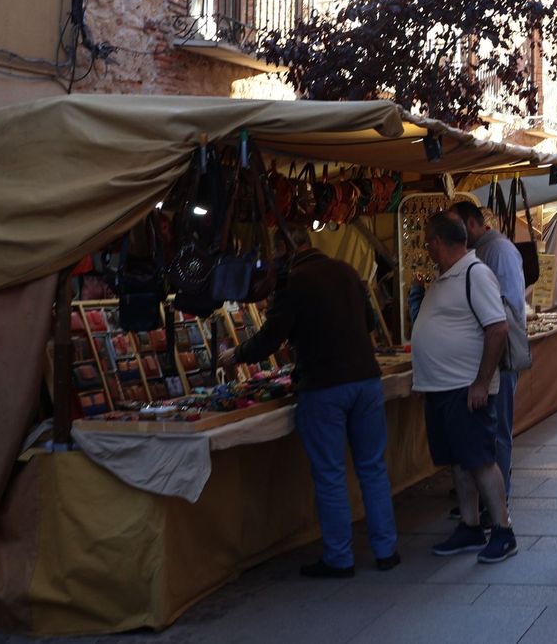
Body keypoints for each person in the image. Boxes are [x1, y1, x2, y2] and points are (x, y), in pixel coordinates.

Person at [218, 236, 398, 578]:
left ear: (284, 251)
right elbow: (371, 324)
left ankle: (340, 558)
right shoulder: (347, 272)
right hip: (365, 379)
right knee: (373, 468)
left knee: (330, 474)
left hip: (324, 386)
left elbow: (270, 337)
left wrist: (236, 354)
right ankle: (386, 550)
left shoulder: (293, 283)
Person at [416, 212, 517, 563]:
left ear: (439, 242)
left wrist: (481, 381)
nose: (426, 247)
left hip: (465, 388)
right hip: (443, 388)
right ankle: (471, 526)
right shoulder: (445, 278)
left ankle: (503, 531)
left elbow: (498, 329)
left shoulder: (476, 273)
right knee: (460, 462)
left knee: (479, 460)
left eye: (428, 240)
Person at [450, 196, 525, 500]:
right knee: (487, 430)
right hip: (489, 356)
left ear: (470, 224)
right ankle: (486, 498)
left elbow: (501, 311)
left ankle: (498, 499)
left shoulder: (496, 250)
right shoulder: (484, 250)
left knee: (497, 431)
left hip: (500, 356)